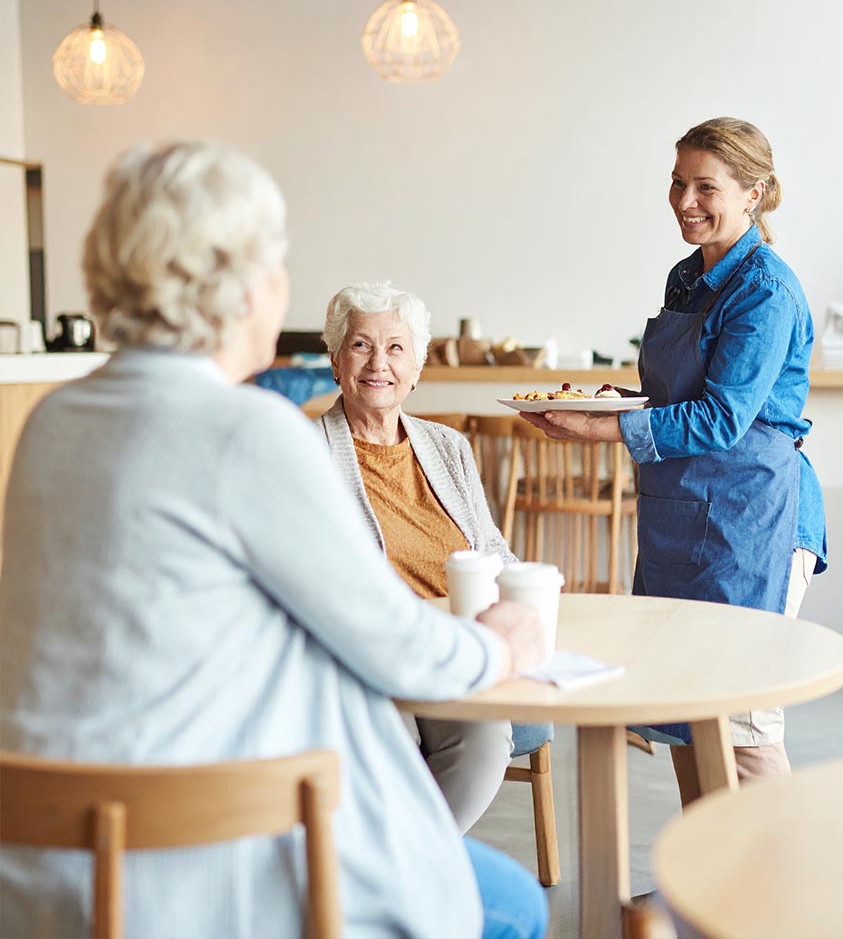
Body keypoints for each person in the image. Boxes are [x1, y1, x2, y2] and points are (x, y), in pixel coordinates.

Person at [0, 142, 549, 939]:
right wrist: (499, 643)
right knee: (513, 908)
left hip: (45, 862)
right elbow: (401, 653)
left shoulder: (53, 423)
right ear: (241, 283)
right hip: (184, 871)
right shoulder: (246, 432)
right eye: (277, 258)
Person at [522, 117, 827, 805]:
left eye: (706, 186)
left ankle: (769, 901)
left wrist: (598, 433)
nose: (686, 200)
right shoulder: (688, 277)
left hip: (754, 517)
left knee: (741, 718)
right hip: (685, 512)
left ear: (755, 194)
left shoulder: (766, 291)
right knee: (694, 713)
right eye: (678, 182)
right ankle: (710, 882)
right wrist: (610, 406)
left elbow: (722, 417)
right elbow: (682, 393)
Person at [315, 281, 552, 834]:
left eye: (396, 348)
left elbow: (490, 548)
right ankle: (404, 880)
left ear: (417, 367)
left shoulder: (448, 446)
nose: (379, 363)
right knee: (386, 737)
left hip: (456, 645)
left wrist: (527, 599)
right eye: (360, 346)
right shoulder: (306, 452)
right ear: (335, 360)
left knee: (486, 736)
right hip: (370, 656)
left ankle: (406, 867)